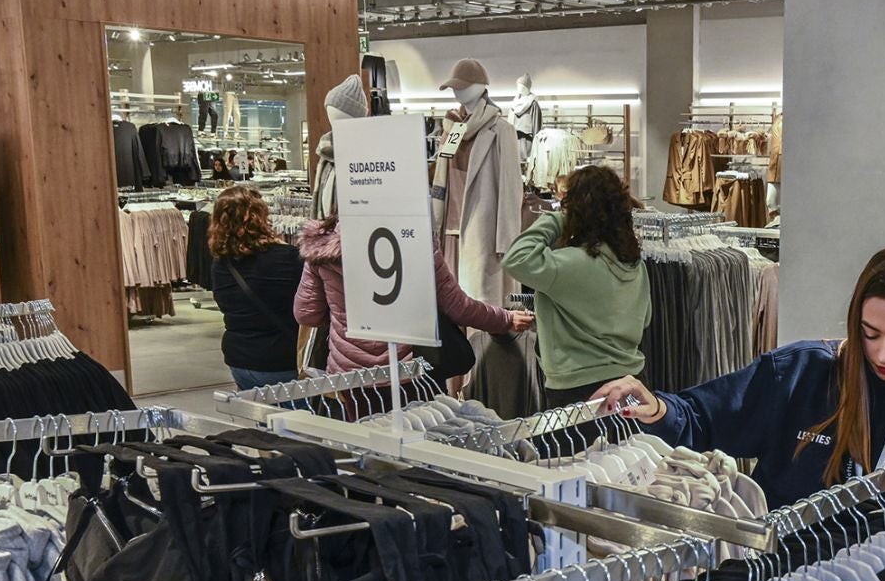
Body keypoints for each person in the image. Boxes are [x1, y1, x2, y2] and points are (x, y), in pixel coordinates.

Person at [593, 244, 885, 507]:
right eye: (870, 334)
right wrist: (657, 407)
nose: (883, 354)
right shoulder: (800, 373)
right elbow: (703, 416)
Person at [294, 217, 533, 374]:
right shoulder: (413, 239)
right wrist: (506, 319)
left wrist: (344, 319)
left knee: (362, 443)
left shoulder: (321, 245)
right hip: (410, 369)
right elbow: (458, 307)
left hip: (349, 374)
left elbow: (306, 314)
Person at [501, 165, 651, 405]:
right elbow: (644, 320)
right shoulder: (633, 263)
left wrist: (557, 219)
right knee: (630, 444)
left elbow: (516, 257)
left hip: (579, 386)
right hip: (631, 381)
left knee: (581, 445)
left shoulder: (569, 264)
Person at [206, 185, 304, 390]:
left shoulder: (220, 264)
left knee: (262, 417)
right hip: (282, 358)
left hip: (240, 359)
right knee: (300, 419)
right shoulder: (287, 258)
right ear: (260, 216)